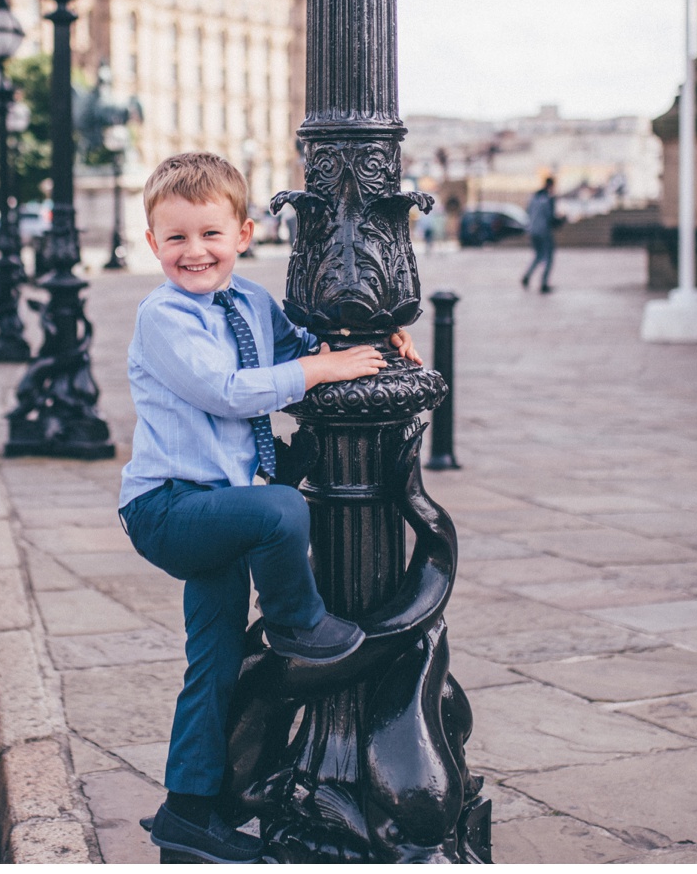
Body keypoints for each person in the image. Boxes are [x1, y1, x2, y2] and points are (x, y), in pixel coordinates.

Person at [118, 151, 422, 863]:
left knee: (215, 660)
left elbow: (304, 348)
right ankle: (300, 628)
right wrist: (317, 370)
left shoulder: (252, 303)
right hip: (168, 509)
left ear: (245, 233)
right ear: (152, 242)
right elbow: (228, 389)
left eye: (211, 235)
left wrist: (372, 343)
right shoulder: (163, 315)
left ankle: (189, 812)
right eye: (177, 238)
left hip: (220, 507)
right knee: (283, 510)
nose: (196, 252)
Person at [522, 176, 556, 292]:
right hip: (543, 231)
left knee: (538, 255)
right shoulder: (548, 199)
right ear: (551, 185)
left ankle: (527, 276)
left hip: (532, 230)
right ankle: (544, 283)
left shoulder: (534, 197)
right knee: (549, 258)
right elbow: (550, 217)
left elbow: (528, 211)